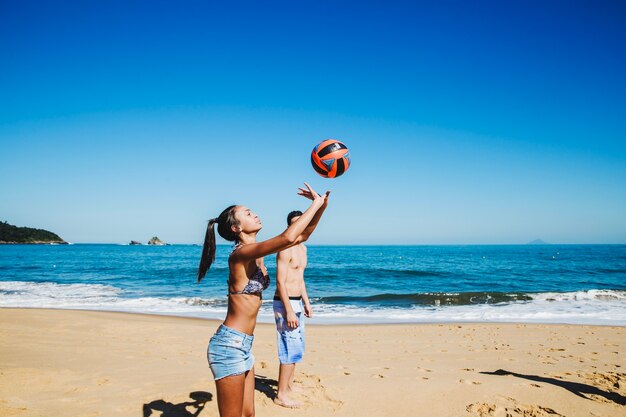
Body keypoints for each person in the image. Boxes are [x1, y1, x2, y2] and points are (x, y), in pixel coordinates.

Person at [197, 183, 330, 417]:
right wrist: (314, 203)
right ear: (236, 227)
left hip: (244, 346)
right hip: (229, 346)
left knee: (249, 414)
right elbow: (288, 235)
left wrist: (321, 207)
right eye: (248, 213)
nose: (255, 214)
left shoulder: (256, 251)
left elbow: (302, 235)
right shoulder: (240, 255)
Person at [272, 209, 319, 408]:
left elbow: (300, 279)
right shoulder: (285, 248)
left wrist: (306, 302)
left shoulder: (303, 249)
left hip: (297, 301)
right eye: (294, 223)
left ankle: (289, 385)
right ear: (290, 226)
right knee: (289, 347)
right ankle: (281, 394)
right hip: (285, 303)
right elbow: (280, 282)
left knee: (297, 346)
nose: (299, 225)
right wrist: (289, 309)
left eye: (302, 221)